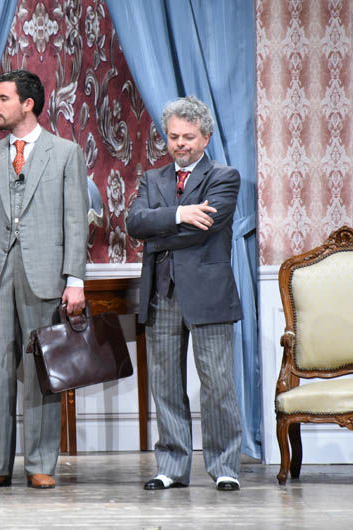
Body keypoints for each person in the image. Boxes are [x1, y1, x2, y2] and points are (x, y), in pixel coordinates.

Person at [0, 70, 88, 489]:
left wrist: (75, 280)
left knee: (41, 370)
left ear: (27, 104)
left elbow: (75, 221)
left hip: (45, 276)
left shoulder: (65, 153)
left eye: (2, 99)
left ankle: (40, 463)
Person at [127, 96, 243, 492]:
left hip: (208, 295)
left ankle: (225, 467)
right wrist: (178, 214)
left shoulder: (224, 176)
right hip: (161, 294)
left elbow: (204, 227)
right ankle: (172, 467)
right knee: (165, 385)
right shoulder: (152, 179)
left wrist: (157, 234)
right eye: (174, 136)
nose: (180, 144)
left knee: (218, 385)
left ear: (205, 138)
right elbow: (135, 223)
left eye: (188, 137)